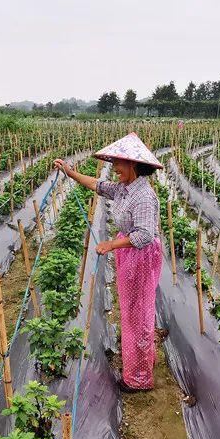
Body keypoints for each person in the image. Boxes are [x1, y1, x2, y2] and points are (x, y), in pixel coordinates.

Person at [53, 133, 163, 392]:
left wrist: (111, 244)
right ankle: (141, 361)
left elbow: (145, 235)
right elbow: (98, 185)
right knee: (133, 311)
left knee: (138, 315)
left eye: (118, 163)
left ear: (133, 165)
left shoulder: (143, 195)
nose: (114, 168)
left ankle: (139, 379)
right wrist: (70, 172)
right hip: (131, 254)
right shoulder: (125, 189)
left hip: (142, 257)